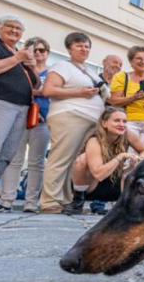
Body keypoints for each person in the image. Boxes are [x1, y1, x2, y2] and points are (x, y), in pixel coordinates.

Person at [40, 32, 105, 214]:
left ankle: (66, 199)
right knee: (60, 157)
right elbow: (48, 90)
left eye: (86, 46)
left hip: (91, 120)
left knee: (74, 162)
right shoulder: (62, 65)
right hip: (70, 115)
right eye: (79, 45)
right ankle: (50, 200)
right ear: (69, 49)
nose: (84, 49)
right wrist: (79, 93)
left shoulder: (89, 71)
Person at [0, 37, 51, 212]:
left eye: (42, 50)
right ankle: (7, 199)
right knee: (14, 158)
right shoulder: (20, 67)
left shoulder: (51, 72)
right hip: (20, 115)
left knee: (36, 162)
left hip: (42, 119)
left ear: (47, 53)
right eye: (34, 50)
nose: (37, 53)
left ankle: (31, 201)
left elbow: (50, 92)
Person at [70, 107, 144, 209]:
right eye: (117, 121)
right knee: (82, 159)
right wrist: (120, 156)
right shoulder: (95, 140)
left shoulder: (127, 134)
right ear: (104, 123)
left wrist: (138, 158)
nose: (121, 124)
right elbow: (99, 175)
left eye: (124, 121)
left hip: (116, 183)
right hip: (93, 187)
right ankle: (78, 198)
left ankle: (125, 202)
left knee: (136, 166)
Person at [0, 15, 38, 194]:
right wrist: (18, 58)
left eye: (18, 28)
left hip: (22, 106)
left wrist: (33, 66)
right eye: (10, 26)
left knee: (8, 153)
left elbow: (36, 85)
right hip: (2, 101)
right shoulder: (0, 46)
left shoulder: (18, 52)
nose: (14, 31)